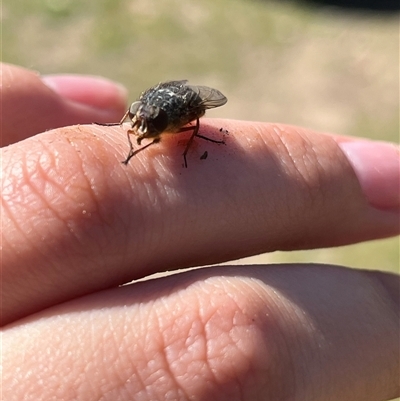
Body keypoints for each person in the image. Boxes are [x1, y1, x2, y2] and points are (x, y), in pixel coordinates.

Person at [1, 63, 399, 401]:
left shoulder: (177, 121)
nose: (138, 128)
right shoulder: (144, 114)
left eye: (146, 125)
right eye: (136, 122)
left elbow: (192, 114)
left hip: (180, 109)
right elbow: (145, 109)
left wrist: (171, 141)